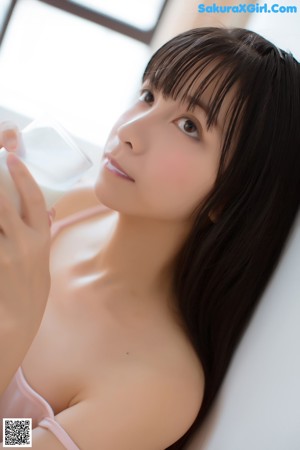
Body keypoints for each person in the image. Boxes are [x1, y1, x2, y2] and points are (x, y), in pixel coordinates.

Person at [0, 27, 299, 449]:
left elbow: (13, 439)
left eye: (189, 126)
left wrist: (12, 332)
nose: (130, 130)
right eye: (149, 95)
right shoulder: (75, 209)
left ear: (230, 196)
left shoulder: (159, 385)